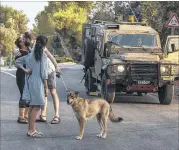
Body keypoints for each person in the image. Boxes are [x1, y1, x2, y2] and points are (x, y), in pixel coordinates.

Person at [22, 32, 61, 124]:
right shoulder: (30, 48)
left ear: (31, 40)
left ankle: (57, 116)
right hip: (40, 72)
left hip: (49, 70)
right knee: (44, 93)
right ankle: (43, 115)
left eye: (25, 39)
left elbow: (50, 56)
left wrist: (57, 66)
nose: (24, 40)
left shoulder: (40, 45)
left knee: (52, 92)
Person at [15, 35, 49, 137]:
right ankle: (32, 130)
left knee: (31, 106)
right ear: (44, 45)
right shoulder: (42, 55)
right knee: (37, 106)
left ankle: (30, 130)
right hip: (38, 82)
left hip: (29, 81)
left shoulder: (30, 54)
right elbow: (44, 74)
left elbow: (17, 62)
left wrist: (25, 70)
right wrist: (46, 88)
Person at [14, 37, 30, 124]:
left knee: (29, 95)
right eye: (23, 40)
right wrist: (25, 70)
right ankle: (21, 117)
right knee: (24, 94)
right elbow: (16, 65)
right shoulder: (19, 53)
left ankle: (25, 115)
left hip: (30, 76)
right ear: (21, 44)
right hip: (21, 75)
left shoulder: (30, 51)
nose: (25, 40)